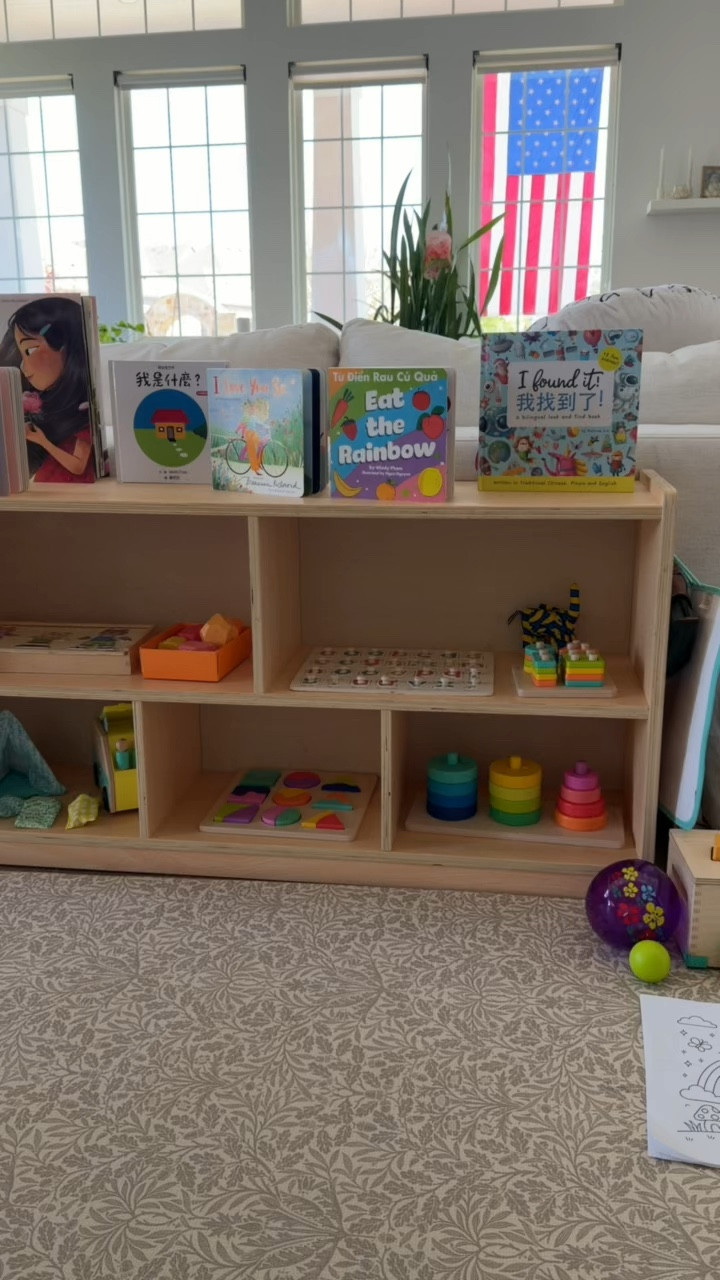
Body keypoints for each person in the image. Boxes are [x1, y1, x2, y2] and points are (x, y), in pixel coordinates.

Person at [0, 295, 95, 483]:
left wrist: (42, 440)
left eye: (30, 351)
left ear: (64, 344)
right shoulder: (43, 404)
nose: (23, 368)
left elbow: (78, 466)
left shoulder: (83, 412)